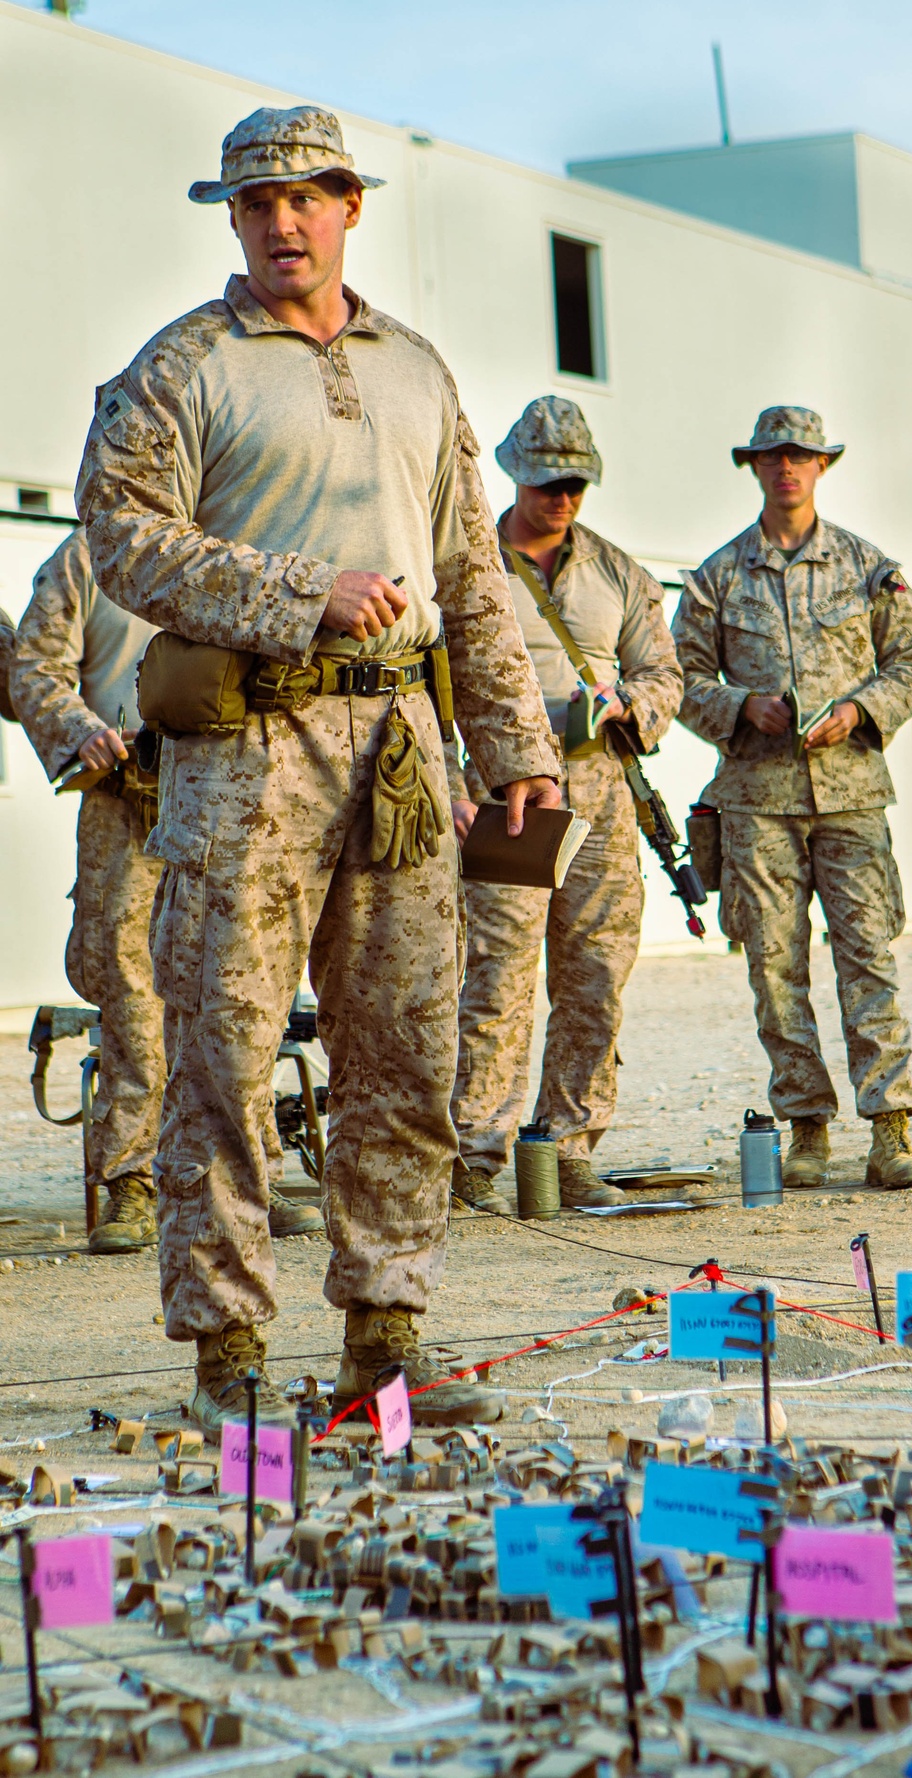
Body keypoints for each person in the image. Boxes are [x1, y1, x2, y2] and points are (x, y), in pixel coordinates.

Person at [74, 106, 561, 1433]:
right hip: (244, 751)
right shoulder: (181, 370)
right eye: (254, 204)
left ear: (350, 204)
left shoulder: (418, 369)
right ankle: (229, 1354)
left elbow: (473, 574)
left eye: (306, 197)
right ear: (231, 220)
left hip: (401, 750)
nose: (282, 222)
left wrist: (516, 744)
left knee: (401, 1046)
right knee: (222, 1056)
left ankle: (384, 1346)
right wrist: (300, 591)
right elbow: (117, 538)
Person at [10, 531, 325, 1251]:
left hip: (234, 790)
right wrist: (78, 729)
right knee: (128, 986)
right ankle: (131, 1178)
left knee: (242, 979)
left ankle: (251, 1176)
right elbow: (33, 664)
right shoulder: (90, 556)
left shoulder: (243, 533)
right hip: (126, 794)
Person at [672, 406, 912, 1190]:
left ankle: (890, 1131)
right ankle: (807, 1128)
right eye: (772, 455)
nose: (787, 467)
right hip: (757, 801)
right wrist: (741, 705)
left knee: (868, 956)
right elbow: (679, 679)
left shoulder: (867, 566)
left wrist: (859, 711)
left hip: (851, 797)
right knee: (774, 966)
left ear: (822, 466)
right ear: (752, 466)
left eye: (801, 455)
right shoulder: (718, 577)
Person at [451, 397, 683, 1213]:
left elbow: (665, 671)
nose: (563, 498)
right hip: (506, 793)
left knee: (593, 980)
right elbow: (433, 681)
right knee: (497, 979)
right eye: (549, 481)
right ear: (515, 474)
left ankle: (569, 1147)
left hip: (601, 796)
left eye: (577, 483)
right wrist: (452, 787)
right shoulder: (467, 564)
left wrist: (632, 705)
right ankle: (475, 1158)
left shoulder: (620, 573)